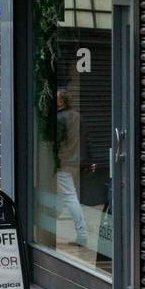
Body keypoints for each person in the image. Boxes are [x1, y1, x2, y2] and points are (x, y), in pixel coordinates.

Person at [55, 89, 89, 249]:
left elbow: (57, 143)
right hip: (76, 162)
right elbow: (85, 140)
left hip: (64, 163)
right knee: (64, 196)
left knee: (69, 197)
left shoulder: (59, 118)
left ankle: (82, 235)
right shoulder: (77, 115)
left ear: (61, 102)